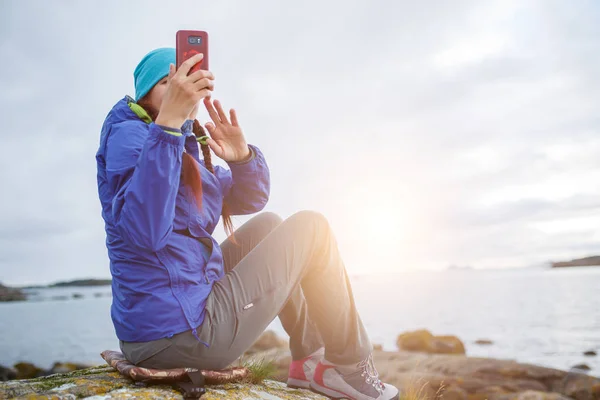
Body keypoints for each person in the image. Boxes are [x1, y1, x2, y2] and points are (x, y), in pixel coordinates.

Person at [95, 47, 399, 400]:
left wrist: (242, 159)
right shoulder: (133, 137)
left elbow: (249, 200)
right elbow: (145, 232)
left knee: (269, 225)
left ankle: (309, 361)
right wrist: (169, 129)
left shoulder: (183, 143)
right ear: (145, 95)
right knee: (312, 228)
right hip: (175, 337)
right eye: (169, 83)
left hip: (176, 312)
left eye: (191, 80)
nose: (184, 89)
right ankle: (350, 369)